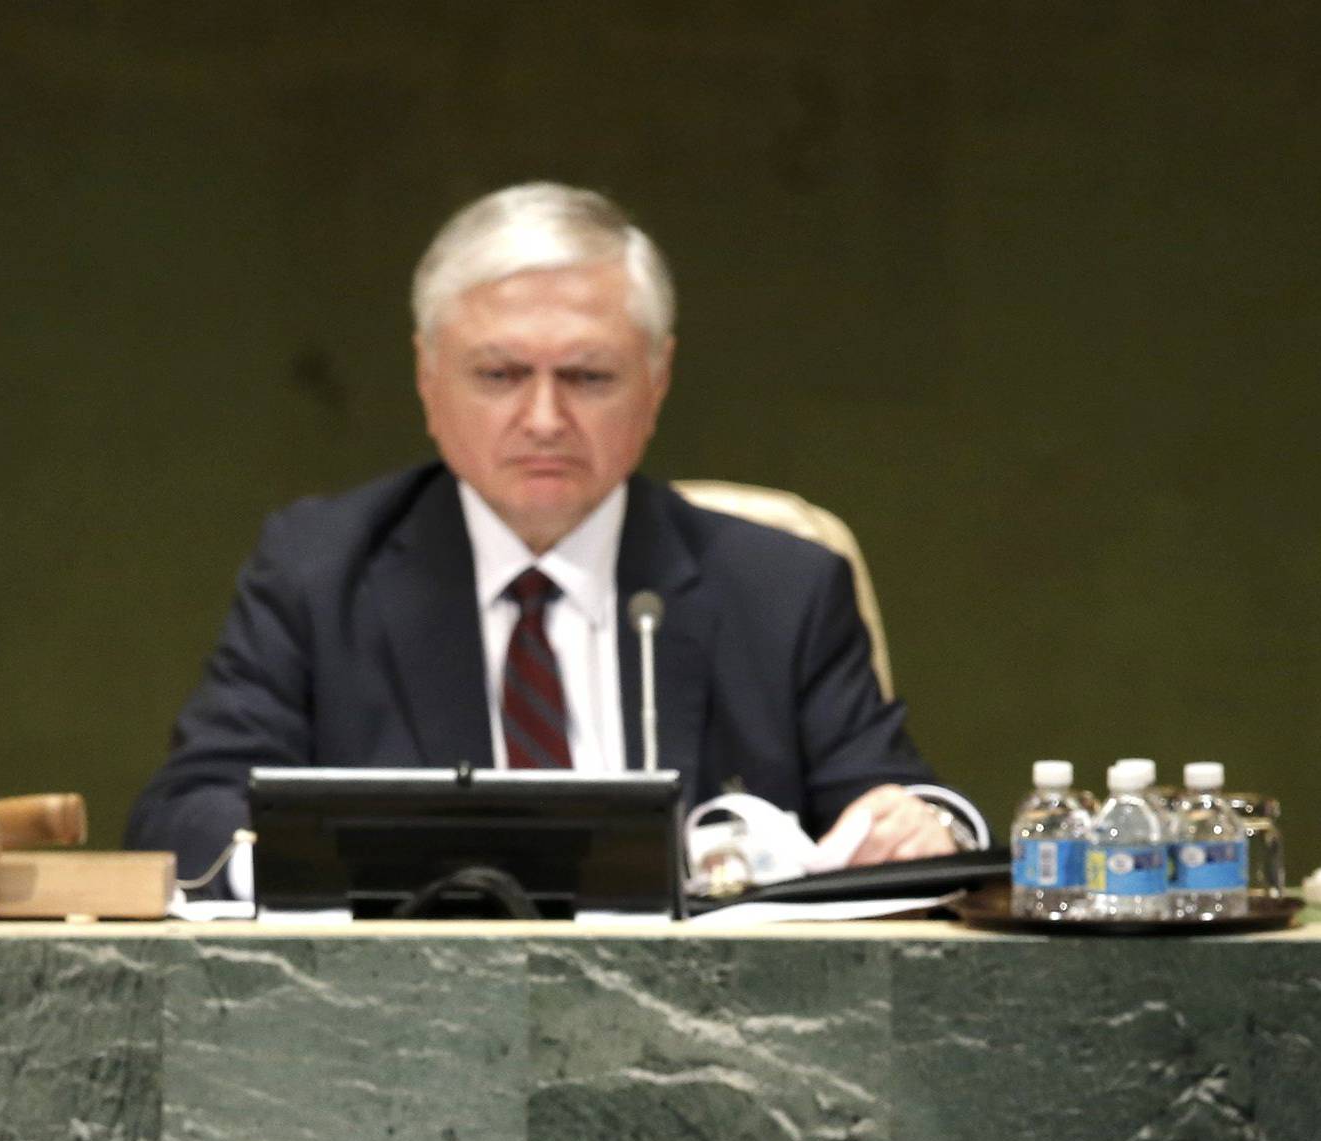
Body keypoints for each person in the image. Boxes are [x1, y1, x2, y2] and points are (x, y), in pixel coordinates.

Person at [125, 182, 958, 889]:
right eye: (500, 375)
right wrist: (361, 863)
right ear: (427, 376)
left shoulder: (782, 587)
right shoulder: (320, 569)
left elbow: (908, 812)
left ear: (657, 379)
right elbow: (185, 816)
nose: (545, 419)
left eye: (589, 377)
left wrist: (924, 829)